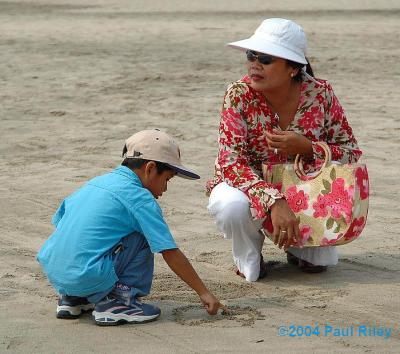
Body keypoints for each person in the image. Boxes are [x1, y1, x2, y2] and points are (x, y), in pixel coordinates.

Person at [206, 18, 362, 282]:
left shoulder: (320, 94)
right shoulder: (237, 94)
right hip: (250, 187)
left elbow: (351, 152)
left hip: (305, 188)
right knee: (229, 205)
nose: (254, 64)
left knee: (319, 262)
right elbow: (230, 162)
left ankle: (297, 248)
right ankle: (250, 254)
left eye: (265, 58)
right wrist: (273, 200)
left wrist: (310, 148)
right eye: (251, 55)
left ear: (293, 68)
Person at [37, 129, 222, 326]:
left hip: (58, 277)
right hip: (87, 276)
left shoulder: (95, 183)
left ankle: (74, 299)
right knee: (144, 233)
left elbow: (62, 223)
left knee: (91, 235)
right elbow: (169, 251)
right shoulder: (140, 198)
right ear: (150, 168)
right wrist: (203, 292)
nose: (165, 188)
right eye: (167, 179)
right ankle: (120, 302)